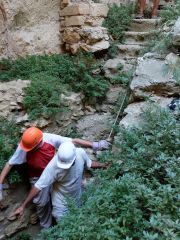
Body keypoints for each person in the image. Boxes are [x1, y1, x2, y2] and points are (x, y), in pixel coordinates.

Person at [0, 127, 110, 228]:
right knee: (41, 202)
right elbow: (10, 163)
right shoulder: (25, 147)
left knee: (64, 191)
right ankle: (46, 226)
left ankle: (61, 216)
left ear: (39, 142)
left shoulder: (49, 139)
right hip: (38, 176)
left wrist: (96, 145)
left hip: (58, 171)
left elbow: (74, 141)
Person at [14, 142, 107, 224]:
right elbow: (38, 186)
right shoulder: (53, 166)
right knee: (65, 230)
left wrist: (104, 165)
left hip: (78, 198)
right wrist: (23, 206)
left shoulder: (80, 153)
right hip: (61, 206)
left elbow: (89, 163)